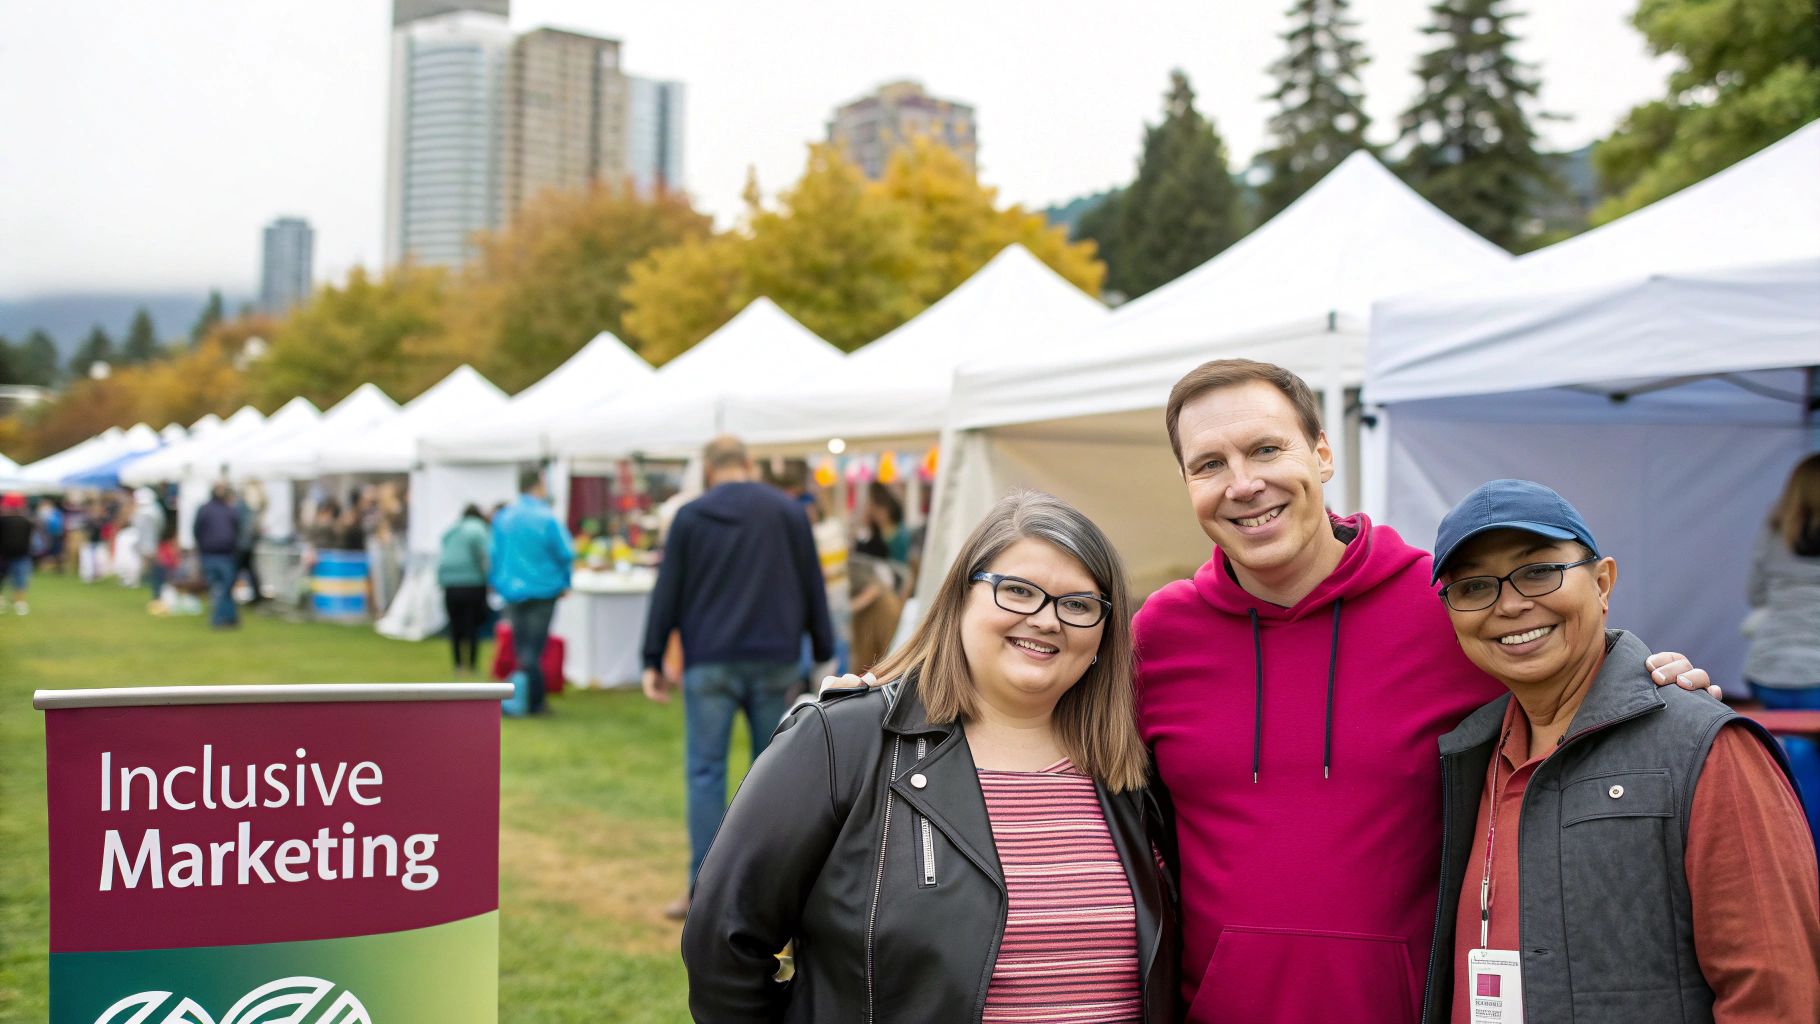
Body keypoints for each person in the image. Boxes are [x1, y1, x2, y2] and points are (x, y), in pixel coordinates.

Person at [684, 489, 1178, 1022]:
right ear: (960, 598)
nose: (1046, 619)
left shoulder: (1132, 764)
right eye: (1017, 591)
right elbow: (723, 945)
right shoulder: (843, 741)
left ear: (1106, 631)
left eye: (1078, 604)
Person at [1427, 479, 1820, 1022]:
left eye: (1539, 570)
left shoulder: (1704, 745)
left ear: (1603, 583)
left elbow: (1776, 993)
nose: (1511, 604)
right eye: (1473, 586)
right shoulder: (1468, 756)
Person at [642, 435, 834, 921]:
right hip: (775, 657)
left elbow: (668, 589)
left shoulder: (689, 516)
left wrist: (651, 657)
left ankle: (703, 891)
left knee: (705, 772)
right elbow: (812, 580)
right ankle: (766, 893)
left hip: (710, 659)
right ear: (748, 465)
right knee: (771, 776)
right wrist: (826, 649)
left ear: (708, 469)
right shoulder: (788, 512)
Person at [1744, 453, 1820, 842]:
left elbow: (1755, 593)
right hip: (1815, 673)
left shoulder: (1775, 532)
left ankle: (1788, 845)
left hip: (1769, 668)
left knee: (1795, 753)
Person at [490, 467, 572, 716]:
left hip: (512, 591)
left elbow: (494, 554)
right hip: (543, 590)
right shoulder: (546, 517)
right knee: (533, 649)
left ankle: (522, 699)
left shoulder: (504, 517)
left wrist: (498, 582)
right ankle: (534, 703)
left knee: (521, 647)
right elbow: (565, 553)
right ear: (538, 485)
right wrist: (565, 582)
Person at [438, 504, 491, 677]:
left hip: (449, 583)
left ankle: (458, 665)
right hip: (472, 584)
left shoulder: (451, 530)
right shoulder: (478, 530)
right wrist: (489, 578)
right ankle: (473, 665)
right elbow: (484, 555)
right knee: (472, 626)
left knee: (455, 626)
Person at [193, 483, 241, 629]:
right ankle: (219, 620)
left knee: (222, 588)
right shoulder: (228, 510)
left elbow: (196, 530)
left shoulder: (206, 509)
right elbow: (237, 529)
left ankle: (230, 618)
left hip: (215, 553)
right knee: (223, 588)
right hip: (221, 554)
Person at [130, 487, 167, 604]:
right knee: (155, 570)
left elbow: (142, 531)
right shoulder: (156, 510)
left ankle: (157, 595)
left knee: (155, 570)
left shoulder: (144, 513)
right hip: (152, 544)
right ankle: (157, 593)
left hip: (149, 546)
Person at [1, 493, 35, 615]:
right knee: (20, 580)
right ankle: (19, 603)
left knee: (17, 580)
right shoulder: (27, 521)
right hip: (18, 555)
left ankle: (18, 603)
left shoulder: (4, 521)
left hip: (9, 556)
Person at [232, 481, 264, 604]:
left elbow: (242, 527)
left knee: (234, 571)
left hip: (241, 545)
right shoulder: (251, 507)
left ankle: (227, 595)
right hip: (248, 544)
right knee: (251, 571)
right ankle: (257, 596)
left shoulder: (241, 507)